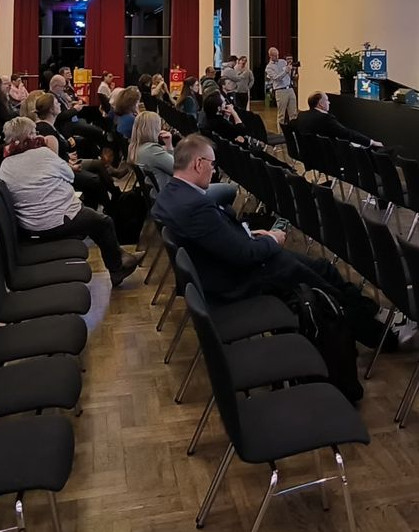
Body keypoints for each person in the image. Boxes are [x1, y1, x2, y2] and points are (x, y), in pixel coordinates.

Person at [154, 135, 395, 347]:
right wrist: (273, 239)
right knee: (323, 289)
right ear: (198, 164)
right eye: (212, 164)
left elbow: (219, 239)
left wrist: (253, 236)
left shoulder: (170, 195)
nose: (214, 170)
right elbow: (243, 255)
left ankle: (368, 310)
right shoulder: (196, 206)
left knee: (323, 267)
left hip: (233, 263)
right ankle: (380, 336)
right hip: (240, 278)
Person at [0, 117, 137, 284]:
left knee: (90, 216)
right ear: (30, 135)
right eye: (35, 132)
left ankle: (120, 256)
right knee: (103, 222)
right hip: (53, 221)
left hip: (31, 224)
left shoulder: (5, 164)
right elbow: (70, 176)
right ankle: (117, 269)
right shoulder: (43, 153)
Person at [288, 91, 380, 147]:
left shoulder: (302, 115)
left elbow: (291, 124)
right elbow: (346, 133)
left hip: (308, 155)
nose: (329, 102)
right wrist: (370, 142)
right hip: (328, 158)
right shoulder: (325, 118)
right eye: (327, 100)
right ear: (320, 104)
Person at [263, 48, 297, 128]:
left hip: (290, 88)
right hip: (280, 91)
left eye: (278, 55)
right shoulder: (269, 67)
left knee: (293, 113)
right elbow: (276, 78)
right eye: (275, 56)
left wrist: (292, 71)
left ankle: (294, 131)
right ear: (270, 56)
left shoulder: (283, 62)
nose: (277, 57)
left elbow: (288, 74)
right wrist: (285, 71)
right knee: (281, 114)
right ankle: (281, 132)